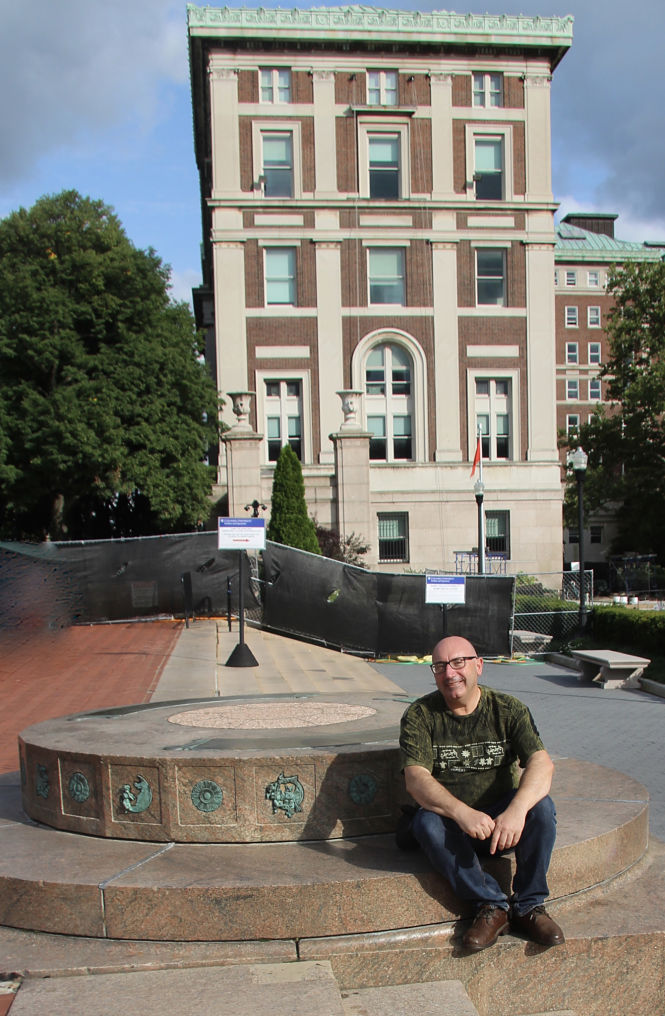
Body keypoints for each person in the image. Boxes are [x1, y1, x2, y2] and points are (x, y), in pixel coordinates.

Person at [399, 634, 564, 952]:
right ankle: (493, 907)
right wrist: (461, 812)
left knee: (541, 808)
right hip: (453, 826)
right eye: (440, 666)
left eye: (458, 662)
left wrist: (516, 811)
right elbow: (415, 778)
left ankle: (529, 907)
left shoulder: (508, 709)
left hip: (501, 824)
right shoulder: (420, 716)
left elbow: (541, 763)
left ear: (479, 666)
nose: (450, 673)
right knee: (425, 822)